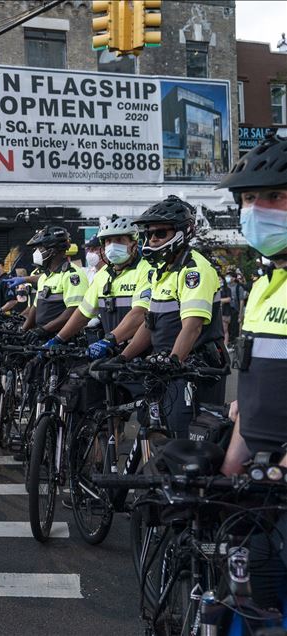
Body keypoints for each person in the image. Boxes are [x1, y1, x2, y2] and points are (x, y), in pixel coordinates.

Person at [213, 133, 287, 613]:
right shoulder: (264, 287)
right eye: (247, 199)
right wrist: (231, 464)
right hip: (263, 473)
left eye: (275, 196)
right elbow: (255, 390)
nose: (255, 209)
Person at [118, 196, 226, 438]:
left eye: (160, 233)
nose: (152, 239)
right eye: (148, 234)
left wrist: (174, 360)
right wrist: (123, 357)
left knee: (184, 443)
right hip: (166, 369)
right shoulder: (161, 272)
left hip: (193, 371)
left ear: (181, 233)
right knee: (152, 431)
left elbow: (193, 327)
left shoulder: (194, 269)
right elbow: (149, 324)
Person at [47, 215, 153, 357]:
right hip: (111, 350)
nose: (112, 246)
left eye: (119, 240)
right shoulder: (103, 274)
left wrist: (108, 340)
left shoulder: (147, 269)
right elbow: (84, 312)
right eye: (108, 241)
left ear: (134, 244)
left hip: (141, 353)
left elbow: (140, 313)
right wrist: (58, 339)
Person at [20, 226, 89, 342]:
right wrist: (22, 331)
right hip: (42, 339)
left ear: (51, 251)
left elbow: (74, 311)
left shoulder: (72, 275)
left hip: (63, 341)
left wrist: (44, 330)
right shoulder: (45, 277)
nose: (36, 253)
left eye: (39, 248)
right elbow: (35, 308)